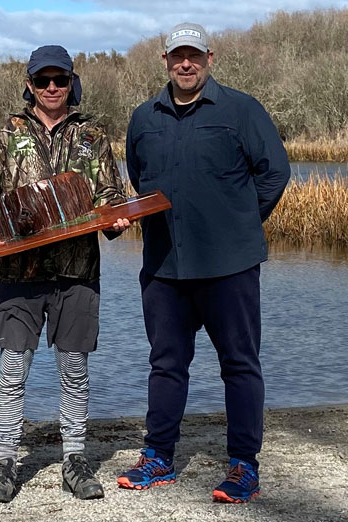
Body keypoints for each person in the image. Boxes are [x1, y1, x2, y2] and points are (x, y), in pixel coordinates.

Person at [117, 23, 290, 503]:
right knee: (166, 365)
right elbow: (138, 176)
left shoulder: (240, 109)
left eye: (194, 55)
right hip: (164, 268)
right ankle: (158, 457)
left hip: (229, 266)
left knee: (239, 365)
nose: (185, 64)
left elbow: (274, 172)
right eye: (177, 56)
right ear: (166, 60)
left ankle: (243, 465)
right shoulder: (143, 118)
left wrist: (238, 223)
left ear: (209, 58)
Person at [0, 44, 130, 503]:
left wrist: (115, 218)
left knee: (75, 370)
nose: (53, 88)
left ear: (71, 82)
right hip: (20, 273)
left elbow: (111, 196)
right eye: (43, 81)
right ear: (29, 85)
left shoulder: (93, 136)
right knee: (12, 371)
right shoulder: (5, 135)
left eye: (60, 80)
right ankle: (4, 460)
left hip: (78, 272)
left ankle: (74, 459)